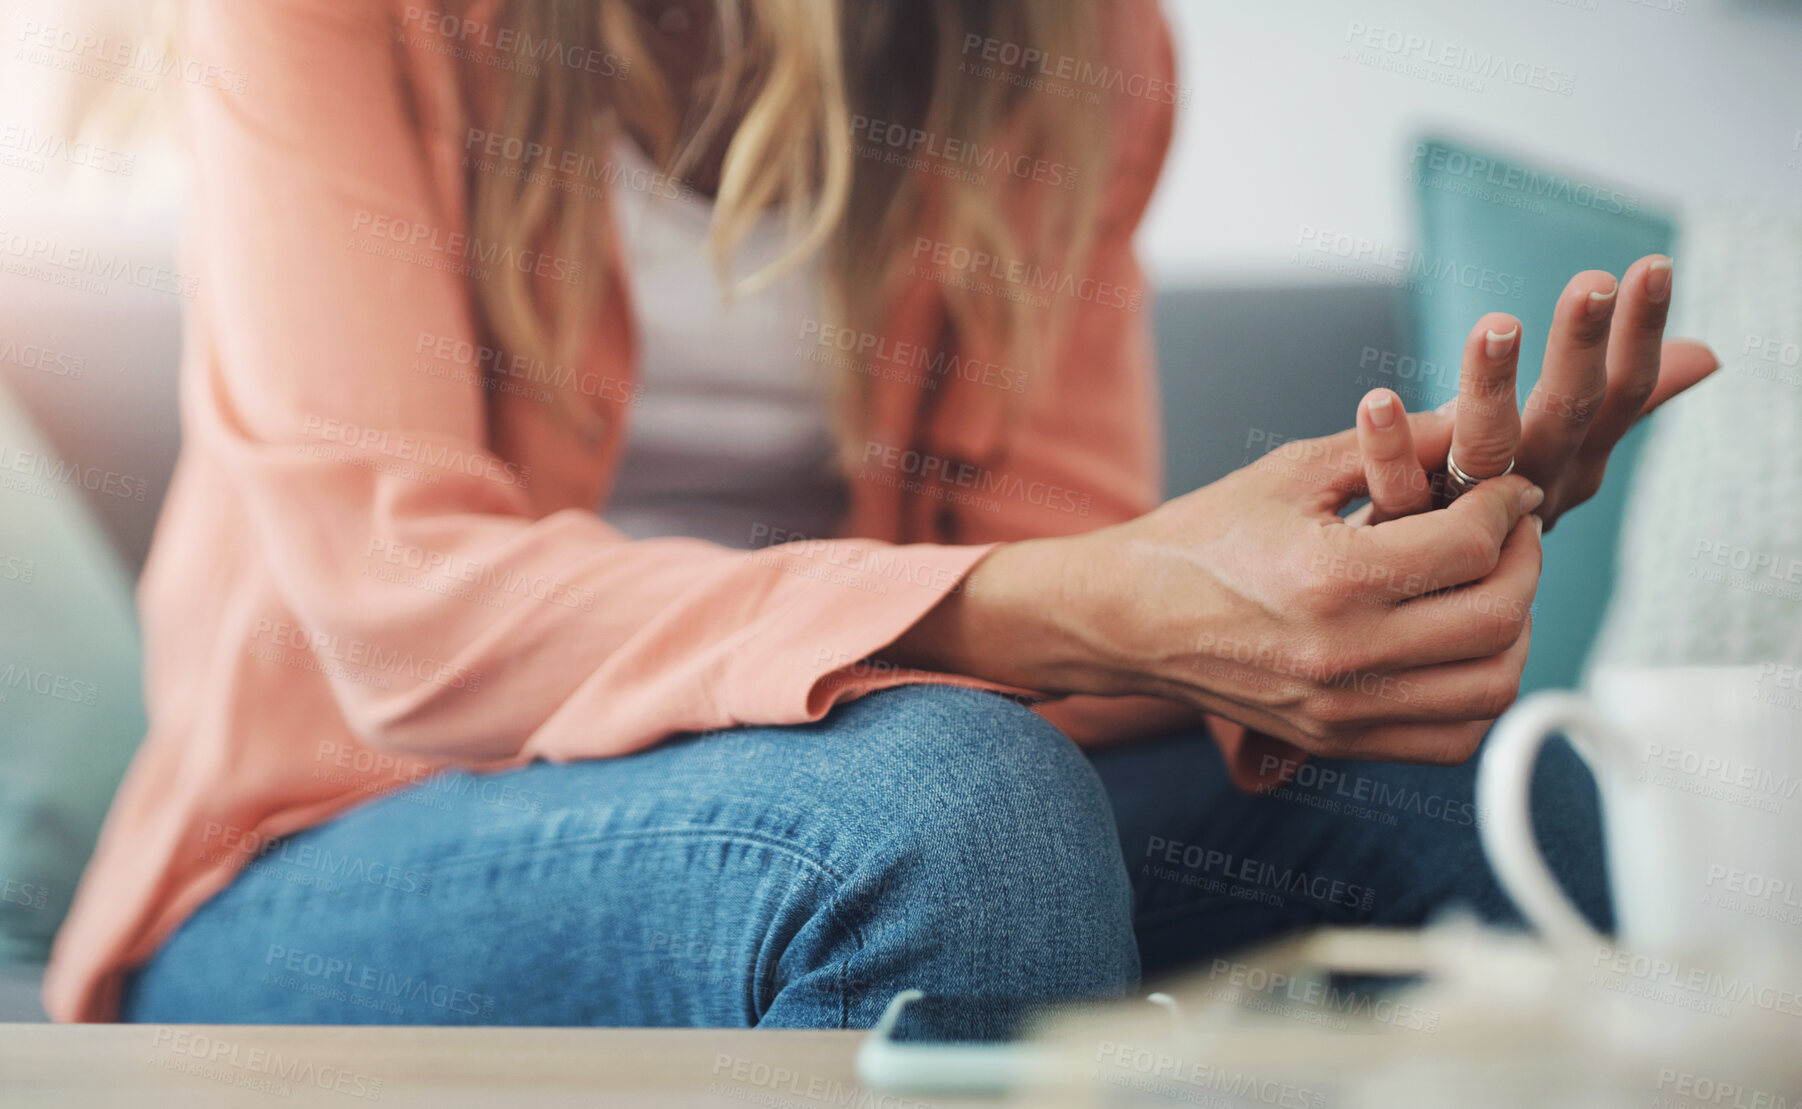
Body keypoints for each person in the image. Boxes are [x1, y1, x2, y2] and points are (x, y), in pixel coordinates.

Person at [45, 0, 1717, 1031]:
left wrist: (1336, 576)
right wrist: (1089, 598)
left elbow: (1071, 608)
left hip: (856, 766)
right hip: (340, 837)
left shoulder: (1068, 42)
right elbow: (404, 614)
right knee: (954, 815)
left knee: (1516, 808)